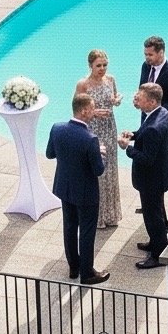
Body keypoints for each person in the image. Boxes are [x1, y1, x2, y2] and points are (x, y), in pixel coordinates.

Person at [46, 93, 110, 285]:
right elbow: (98, 170)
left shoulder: (57, 128)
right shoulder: (90, 139)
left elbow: (50, 154)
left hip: (65, 188)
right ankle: (87, 273)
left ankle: (74, 266)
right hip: (86, 193)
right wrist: (101, 154)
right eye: (92, 108)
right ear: (83, 111)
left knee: (69, 226)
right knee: (87, 232)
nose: (94, 111)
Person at [119, 84, 168, 270]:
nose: (136, 100)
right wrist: (133, 135)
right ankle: (157, 242)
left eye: (140, 98)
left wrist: (127, 147)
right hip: (160, 175)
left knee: (153, 217)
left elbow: (147, 158)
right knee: (158, 212)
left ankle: (158, 255)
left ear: (151, 101)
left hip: (151, 180)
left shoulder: (153, 127)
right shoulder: (162, 113)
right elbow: (147, 136)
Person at [140, 36, 168, 225]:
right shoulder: (146, 67)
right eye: (145, 54)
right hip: (147, 124)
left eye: (150, 54)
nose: (147, 58)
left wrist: (154, 108)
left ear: (161, 52)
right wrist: (140, 101)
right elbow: (142, 89)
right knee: (150, 162)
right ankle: (152, 202)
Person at [75, 50, 122, 228]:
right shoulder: (83, 84)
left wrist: (116, 100)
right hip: (93, 131)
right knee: (97, 171)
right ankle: (97, 216)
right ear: (90, 66)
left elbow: (114, 97)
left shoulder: (111, 79)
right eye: (98, 65)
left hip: (110, 128)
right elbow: (77, 109)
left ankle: (111, 215)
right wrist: (93, 113)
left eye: (105, 65)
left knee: (110, 171)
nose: (102, 69)